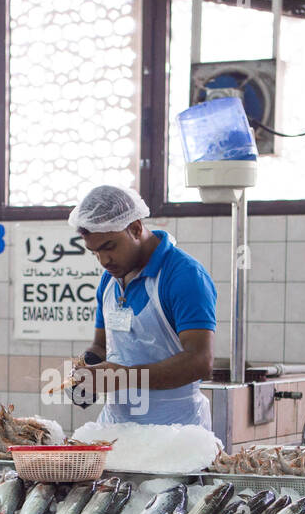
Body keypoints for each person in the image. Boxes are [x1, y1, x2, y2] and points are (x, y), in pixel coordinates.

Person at [68, 184, 217, 429]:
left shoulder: (183, 275)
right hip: (116, 429)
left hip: (175, 432)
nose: (104, 261)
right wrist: (85, 373)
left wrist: (122, 377)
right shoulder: (110, 280)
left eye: (109, 247)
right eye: (94, 252)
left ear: (135, 228)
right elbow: (101, 346)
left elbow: (200, 361)